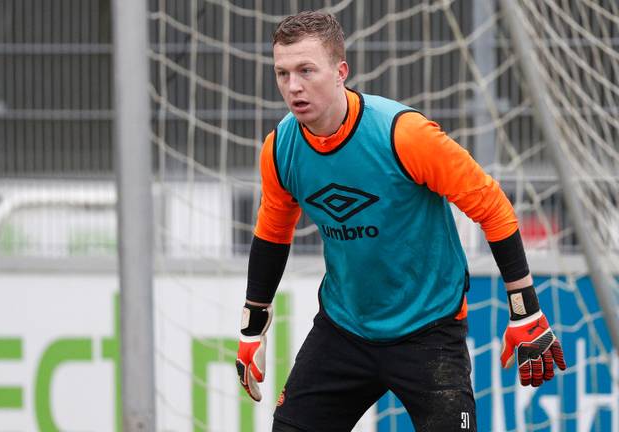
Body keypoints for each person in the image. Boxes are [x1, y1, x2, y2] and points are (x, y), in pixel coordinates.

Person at [235, 10, 567, 432]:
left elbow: (493, 207)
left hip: (428, 329)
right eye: (282, 73)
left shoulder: (404, 135)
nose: (293, 86)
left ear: (341, 72)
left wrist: (525, 311)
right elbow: (272, 233)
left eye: (306, 70)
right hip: (344, 327)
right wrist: (252, 328)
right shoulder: (279, 148)